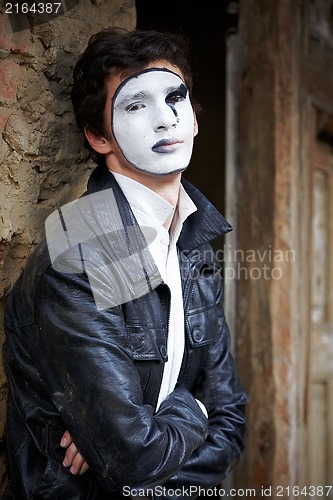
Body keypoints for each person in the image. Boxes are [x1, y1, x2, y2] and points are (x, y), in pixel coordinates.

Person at [3, 27, 247, 499]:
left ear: (194, 119)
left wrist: (158, 426)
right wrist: (195, 409)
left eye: (174, 97)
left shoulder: (194, 243)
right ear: (98, 136)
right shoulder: (78, 255)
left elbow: (232, 422)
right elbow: (134, 462)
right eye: (135, 105)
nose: (164, 120)